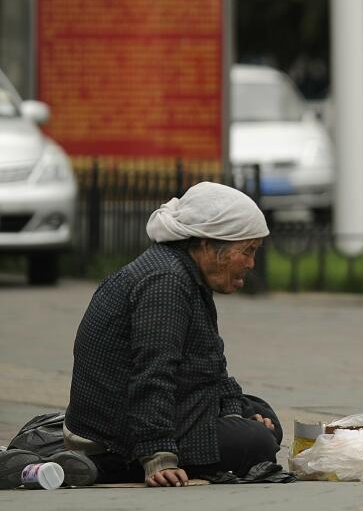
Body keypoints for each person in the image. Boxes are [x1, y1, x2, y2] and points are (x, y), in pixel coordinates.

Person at [61, 182, 281, 487]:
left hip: (156, 408)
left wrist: (233, 414)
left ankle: (232, 428)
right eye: (246, 251)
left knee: (260, 413)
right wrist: (158, 456)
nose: (251, 264)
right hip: (117, 435)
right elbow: (153, 373)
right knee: (259, 444)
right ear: (207, 245)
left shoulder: (184, 273)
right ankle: (110, 467)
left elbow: (210, 365)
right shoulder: (166, 283)